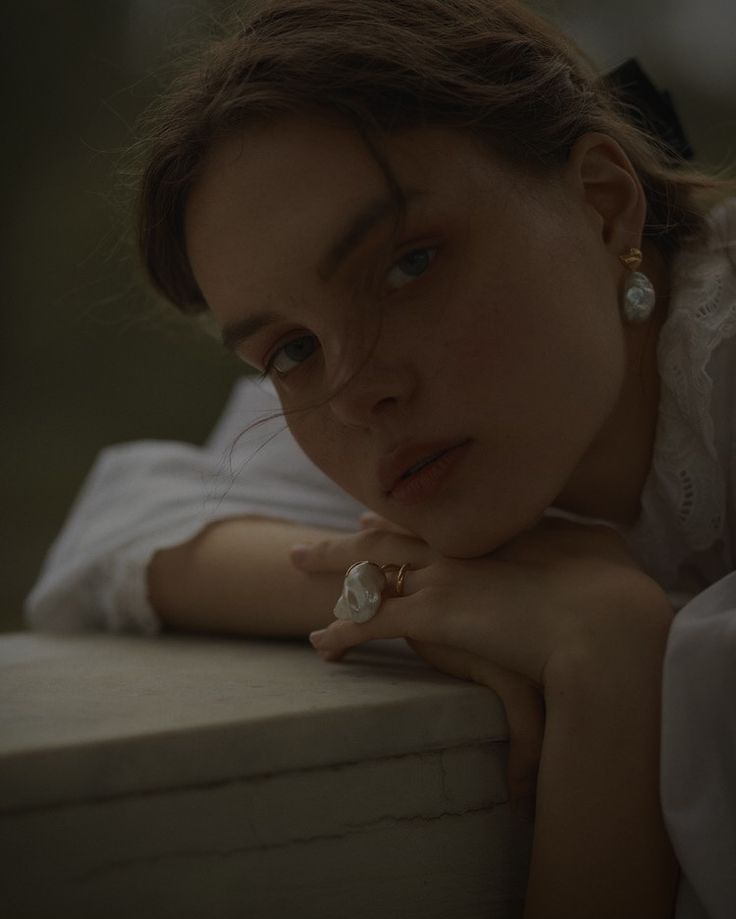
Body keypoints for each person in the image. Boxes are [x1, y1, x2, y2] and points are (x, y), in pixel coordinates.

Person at [24, 1, 736, 916]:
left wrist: (611, 654)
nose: (354, 391)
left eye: (408, 265)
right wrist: (435, 588)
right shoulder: (423, 415)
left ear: (603, 205)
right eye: (289, 349)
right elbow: (122, 524)